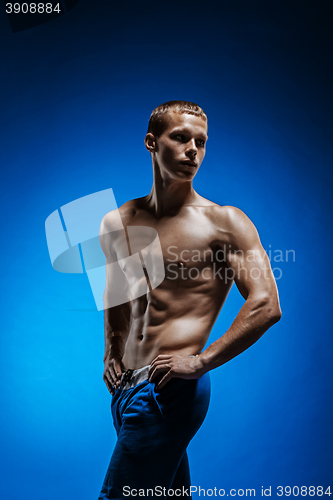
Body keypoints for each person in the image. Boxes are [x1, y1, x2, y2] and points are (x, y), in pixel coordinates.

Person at [98, 101, 281, 499]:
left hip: (169, 392)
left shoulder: (224, 222)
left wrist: (200, 362)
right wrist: (112, 350)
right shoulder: (117, 222)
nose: (192, 150)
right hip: (126, 389)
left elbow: (266, 304)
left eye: (200, 141)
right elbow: (117, 296)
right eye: (180, 138)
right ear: (151, 142)